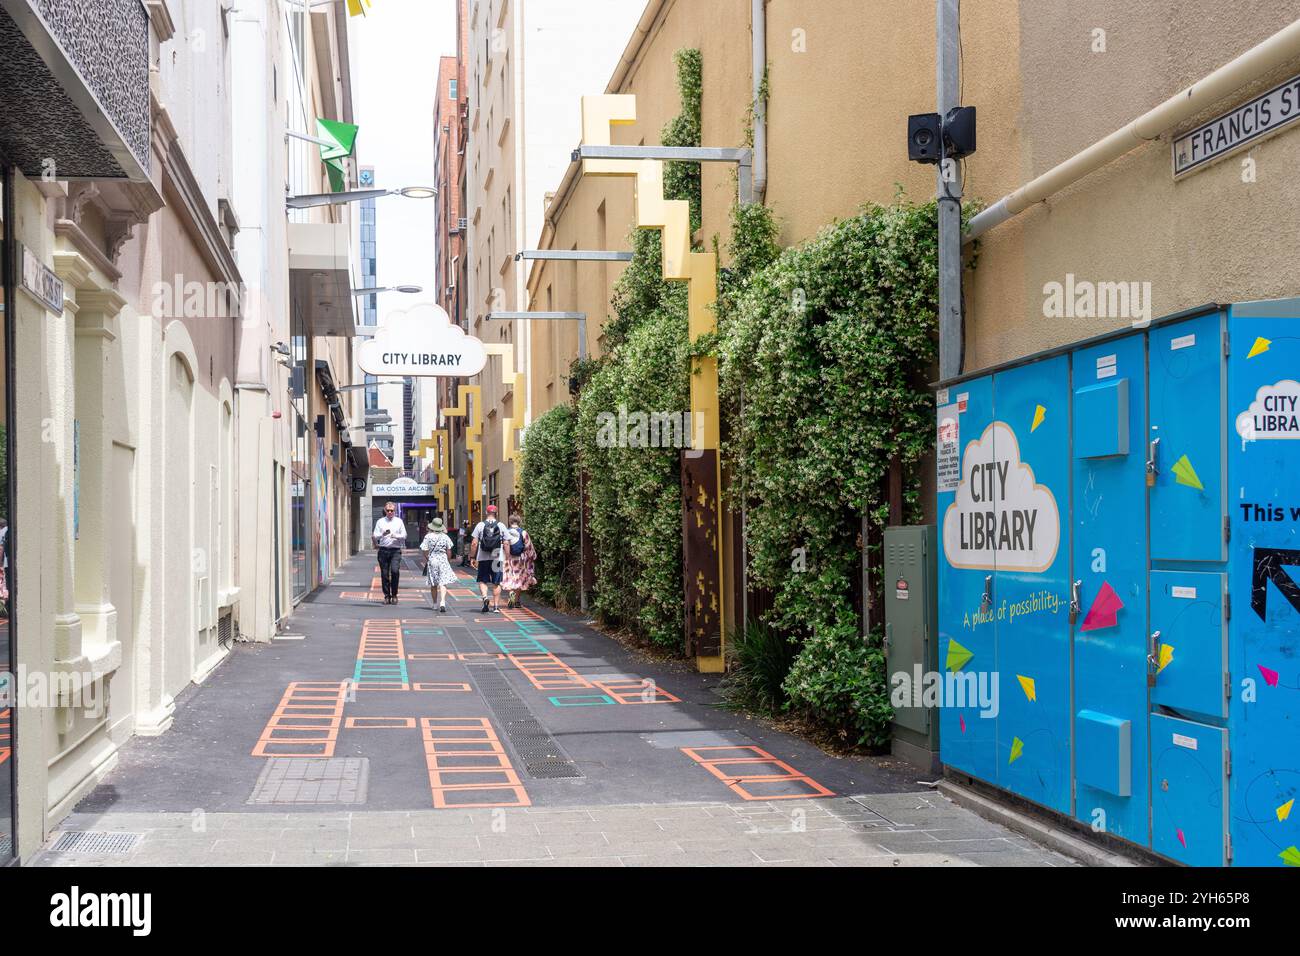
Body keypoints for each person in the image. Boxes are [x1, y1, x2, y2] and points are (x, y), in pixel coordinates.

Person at [470, 504, 505, 613]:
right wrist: (507, 557)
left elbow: (474, 543)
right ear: (496, 513)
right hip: (497, 555)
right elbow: (507, 543)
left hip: (483, 556)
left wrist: (472, 557)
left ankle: (485, 598)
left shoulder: (480, 525)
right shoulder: (501, 525)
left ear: (486, 513)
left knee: (482, 580)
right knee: (497, 582)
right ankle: (495, 607)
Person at [371, 501, 407, 604]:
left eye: (392, 510)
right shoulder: (380, 522)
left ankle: (394, 594)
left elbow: (404, 535)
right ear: (385, 511)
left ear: (394, 511)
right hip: (383, 550)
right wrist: (382, 534)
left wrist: (396, 536)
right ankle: (387, 595)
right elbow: (375, 536)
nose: (390, 512)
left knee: (395, 571)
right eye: (388, 510)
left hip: (395, 550)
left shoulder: (399, 521)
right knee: (384, 573)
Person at [419, 516, 457, 613]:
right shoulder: (445, 536)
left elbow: (424, 549)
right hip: (443, 559)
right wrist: (448, 560)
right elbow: (449, 550)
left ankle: (435, 604)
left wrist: (428, 558)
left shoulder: (428, 536)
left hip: (432, 560)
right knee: (443, 582)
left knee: (434, 583)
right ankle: (443, 602)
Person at [501, 514, 536, 609]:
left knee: (509, 578)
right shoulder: (523, 532)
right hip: (520, 560)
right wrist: (531, 558)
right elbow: (529, 547)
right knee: (519, 579)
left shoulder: (505, 532)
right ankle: (517, 601)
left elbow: (502, 546)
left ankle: (511, 593)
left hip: (508, 559)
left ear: (509, 521)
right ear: (519, 521)